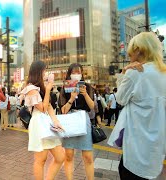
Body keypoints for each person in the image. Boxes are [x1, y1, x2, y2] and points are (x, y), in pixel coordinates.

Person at [108, 32, 166, 179]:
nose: (129, 55)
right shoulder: (163, 73)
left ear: (139, 50)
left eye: (130, 52)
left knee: (129, 172)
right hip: (157, 138)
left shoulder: (135, 73)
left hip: (137, 138)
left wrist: (124, 73)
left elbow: (120, 99)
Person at [21, 60, 65, 179]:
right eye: (44, 70)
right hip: (38, 123)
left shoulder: (40, 87)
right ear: (38, 72)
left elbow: (49, 106)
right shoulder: (30, 88)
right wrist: (48, 89)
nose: (46, 73)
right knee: (41, 159)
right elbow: (42, 108)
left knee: (60, 157)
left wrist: (56, 121)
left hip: (46, 122)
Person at [60, 63, 95, 180]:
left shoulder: (87, 87)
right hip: (69, 120)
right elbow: (63, 110)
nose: (76, 75)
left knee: (88, 156)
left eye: (78, 72)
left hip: (83, 119)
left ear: (82, 74)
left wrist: (84, 94)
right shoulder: (65, 88)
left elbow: (92, 106)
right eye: (73, 73)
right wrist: (71, 98)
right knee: (69, 155)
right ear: (69, 74)